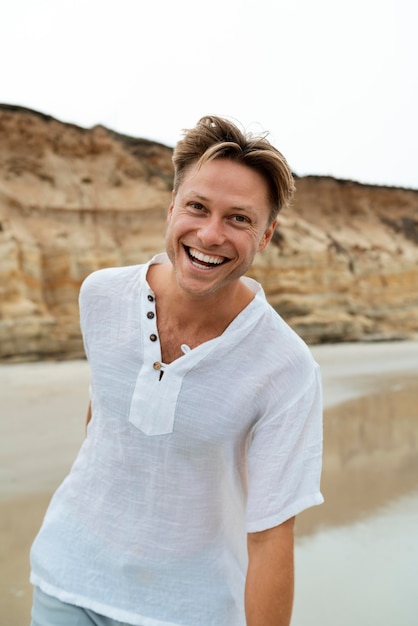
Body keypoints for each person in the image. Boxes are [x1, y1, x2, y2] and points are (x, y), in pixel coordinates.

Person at [30, 115, 323, 626]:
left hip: (189, 610)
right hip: (66, 579)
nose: (210, 234)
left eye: (239, 219)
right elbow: (101, 421)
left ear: (267, 234)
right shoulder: (100, 295)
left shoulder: (286, 367)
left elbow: (272, 533)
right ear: (171, 208)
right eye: (197, 207)